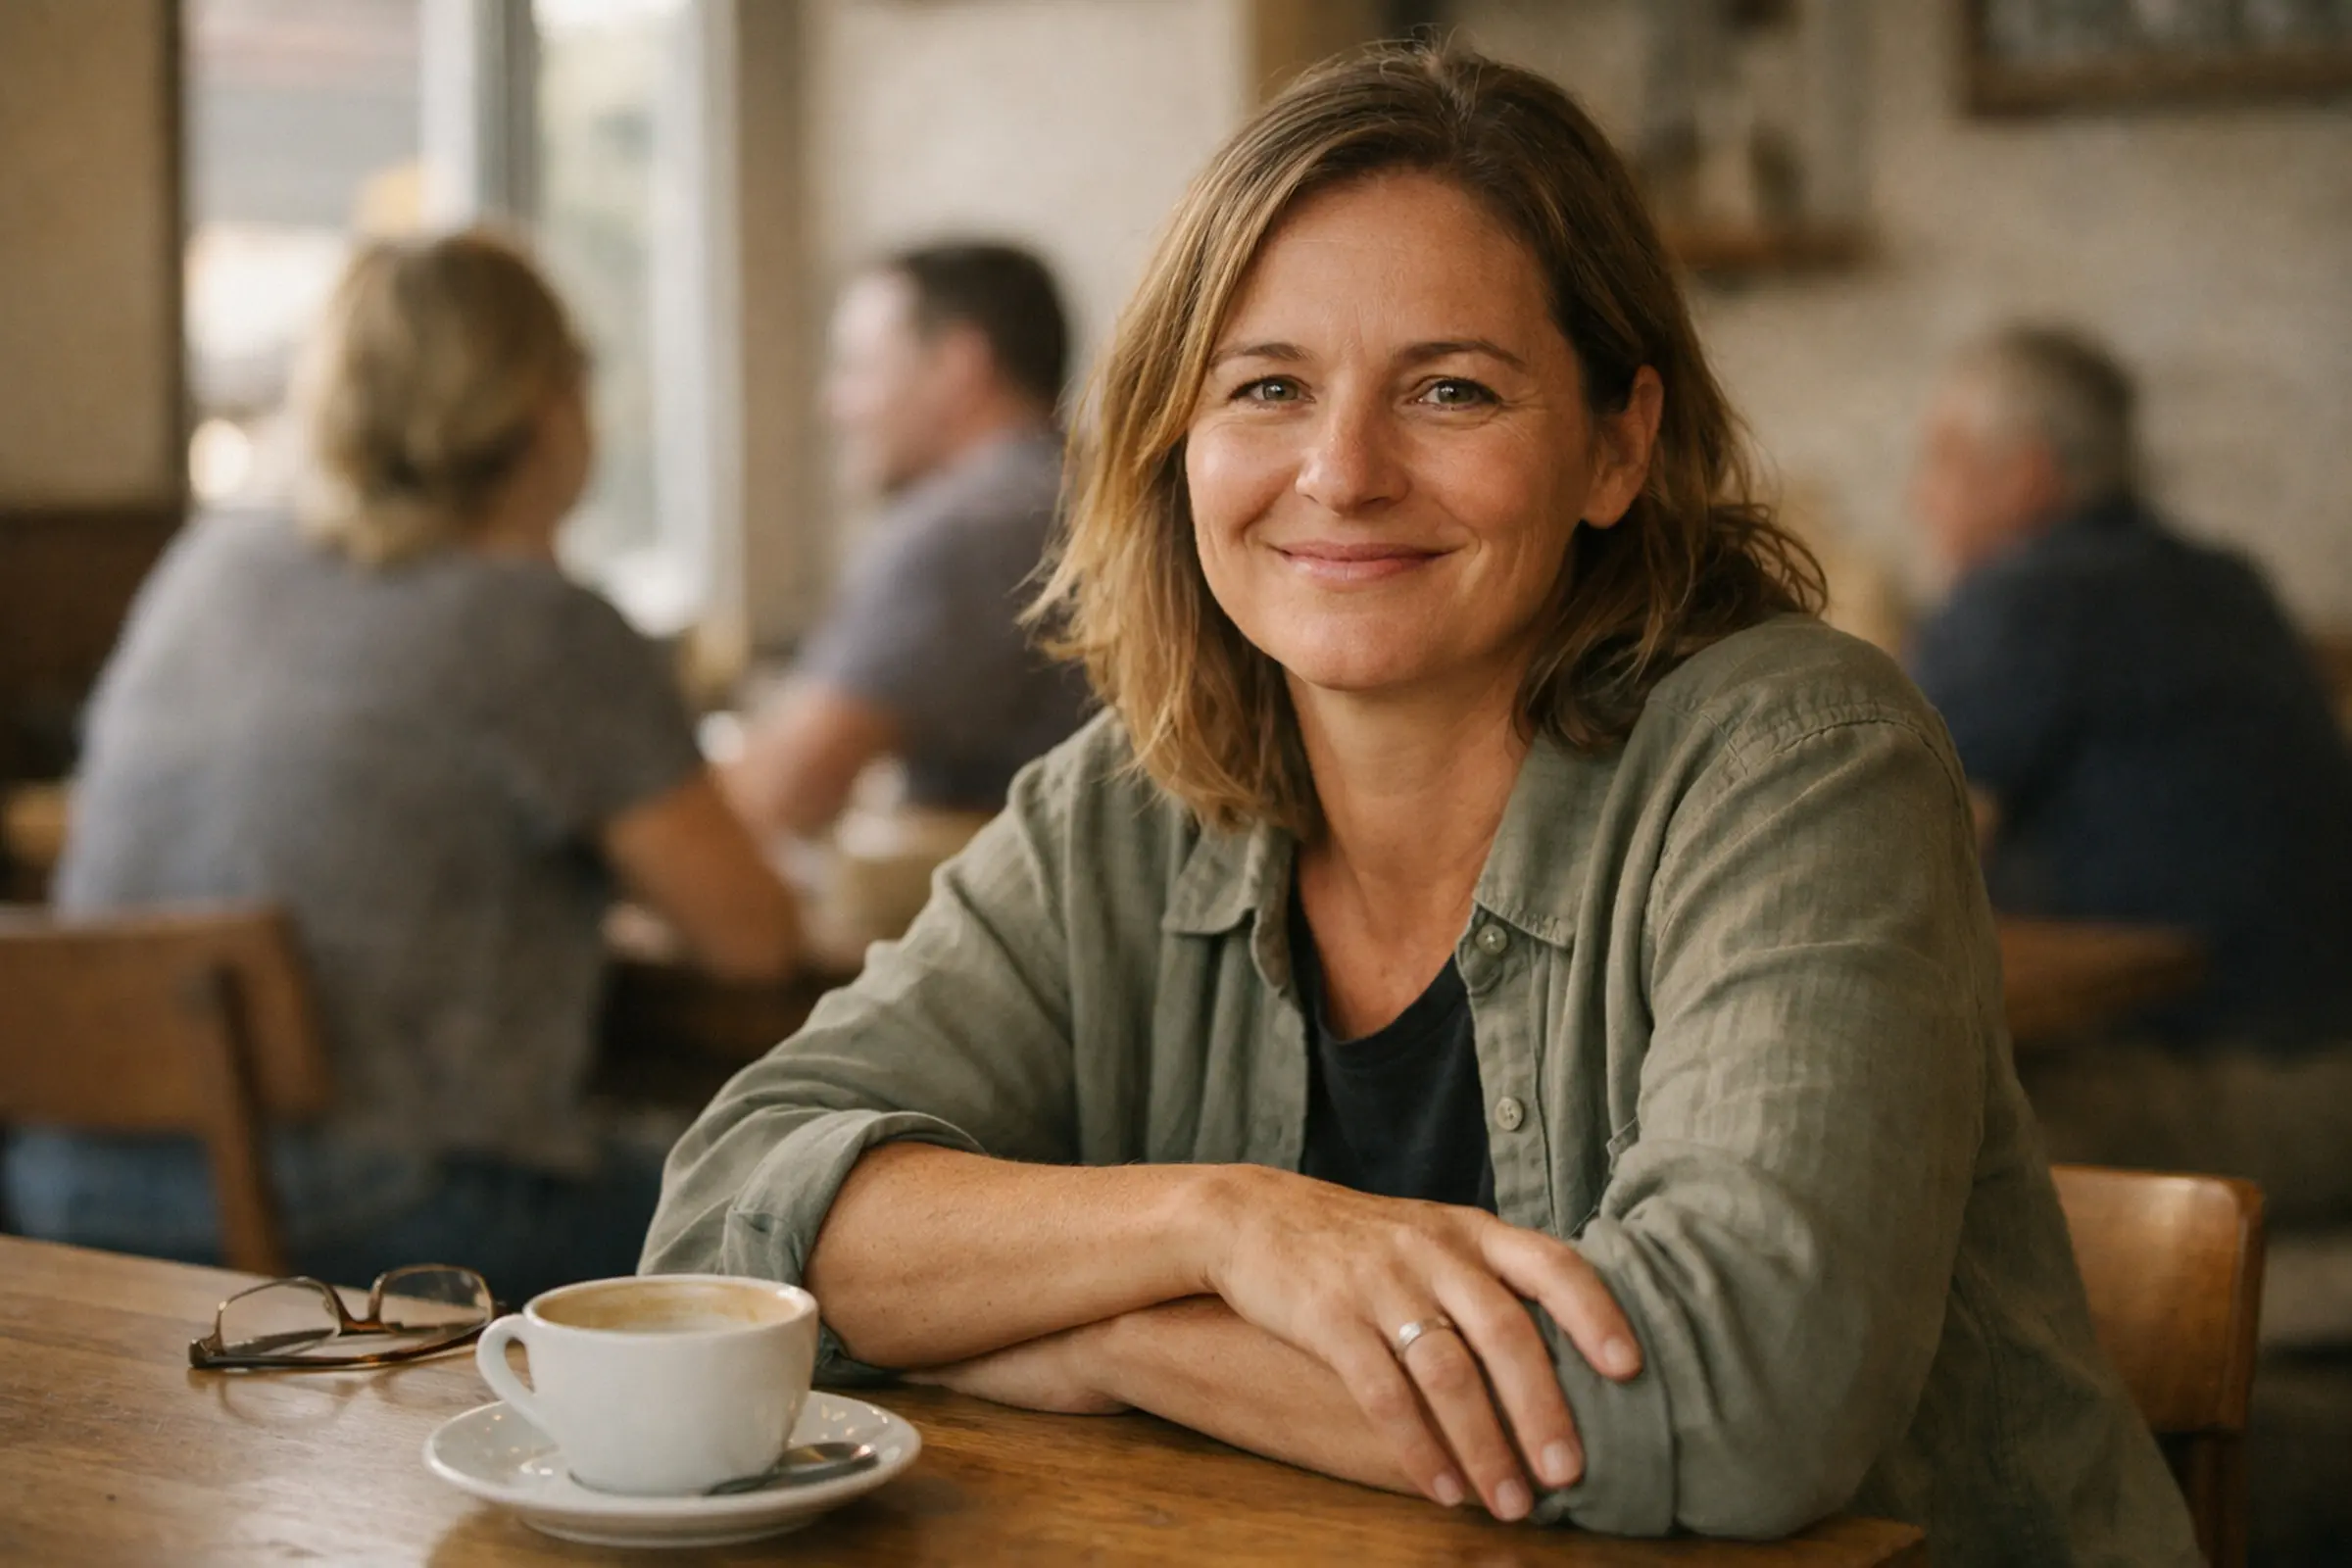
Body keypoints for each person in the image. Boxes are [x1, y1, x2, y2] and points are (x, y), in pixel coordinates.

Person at [646, 45, 2193, 1563]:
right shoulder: (1119, 810)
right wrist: (1217, 1227)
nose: (1342, 470)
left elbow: (1734, 1404)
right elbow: (723, 1231)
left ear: (1615, 444)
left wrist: (1116, 1344)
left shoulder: (1801, 759)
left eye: (1452, 390)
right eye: (1266, 386)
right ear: (1179, 442)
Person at [4, 231, 800, 1303]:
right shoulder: (543, 626)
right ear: (546, 404)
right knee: (782, 1211)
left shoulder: (211, 563)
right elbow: (754, 939)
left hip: (66, 1188)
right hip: (362, 1221)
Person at [1909, 324, 2352, 1052]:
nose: (1919, 497)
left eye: (1941, 459)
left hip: (2207, 1077)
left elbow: (1866, 818)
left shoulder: (2027, 598)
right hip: (2327, 1066)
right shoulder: (2227, 580)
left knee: (1918, 1119)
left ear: (2023, 476)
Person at [722, 242, 1092, 840]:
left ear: (957, 367)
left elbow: (780, 792)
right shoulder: (1090, 493)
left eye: (858, 368)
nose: (833, 404)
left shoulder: (965, 529)